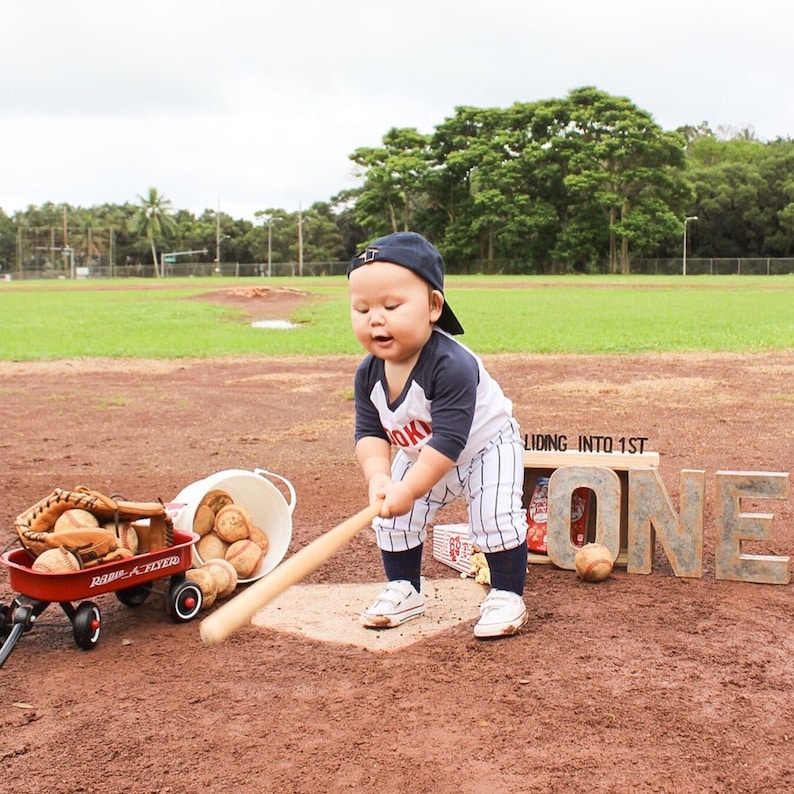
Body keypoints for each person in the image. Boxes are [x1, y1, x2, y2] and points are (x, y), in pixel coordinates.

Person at [347, 231, 529, 639]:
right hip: (421, 454)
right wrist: (379, 477)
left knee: (495, 518)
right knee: (393, 518)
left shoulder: (451, 365)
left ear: (433, 306)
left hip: (485, 447)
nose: (375, 318)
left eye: (391, 306)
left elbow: (448, 440)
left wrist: (408, 488)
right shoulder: (368, 373)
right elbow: (370, 431)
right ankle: (404, 588)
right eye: (362, 308)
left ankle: (506, 594)